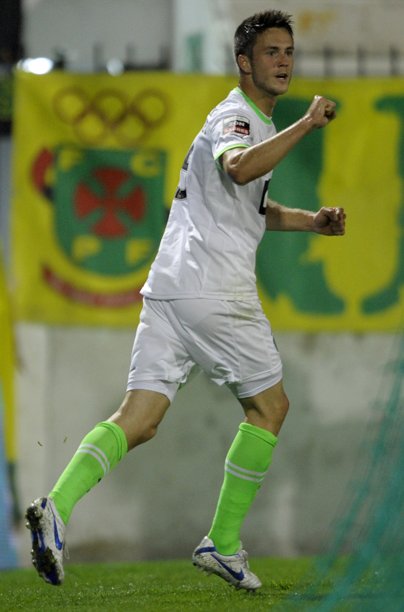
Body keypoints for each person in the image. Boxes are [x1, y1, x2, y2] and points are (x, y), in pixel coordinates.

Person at [25, 9, 346, 591]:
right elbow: (240, 168)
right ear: (243, 62)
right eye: (271, 52)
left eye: (288, 52)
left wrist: (311, 221)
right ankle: (221, 542)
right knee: (270, 409)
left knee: (140, 419)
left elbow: (247, 205)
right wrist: (305, 124)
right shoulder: (236, 117)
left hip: (170, 290)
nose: (283, 62)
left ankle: (56, 507)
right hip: (215, 290)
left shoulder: (251, 122)